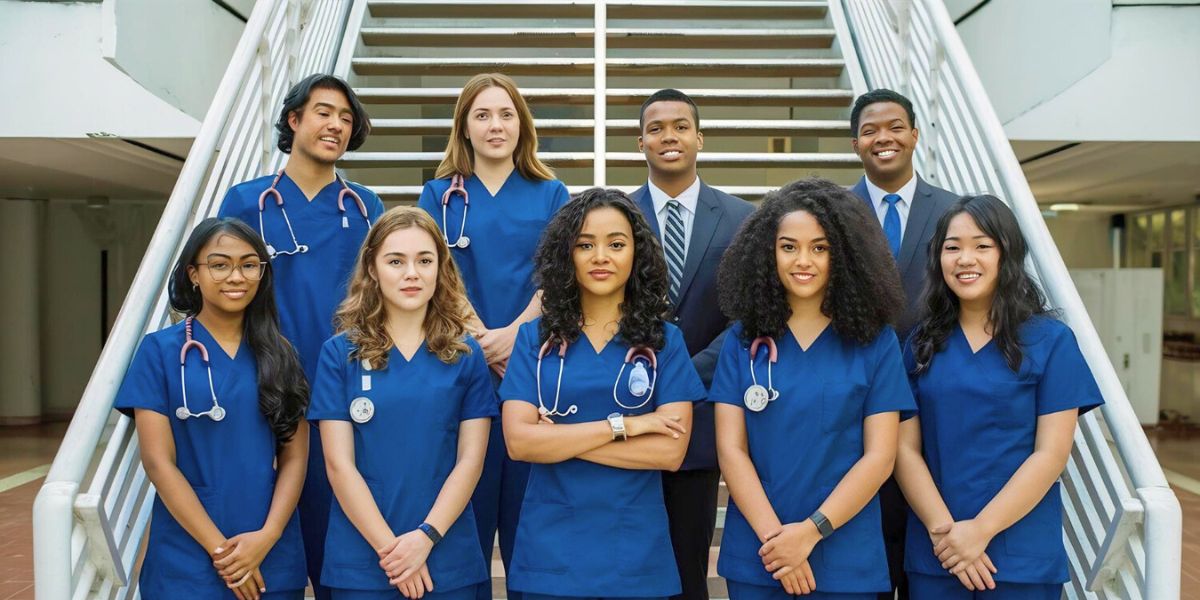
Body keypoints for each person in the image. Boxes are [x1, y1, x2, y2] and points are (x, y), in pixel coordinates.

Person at [218, 73, 385, 599]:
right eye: (324, 112)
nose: (336, 124)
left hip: (346, 392)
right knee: (275, 541)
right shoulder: (247, 203)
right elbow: (225, 293)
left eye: (346, 117)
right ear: (294, 120)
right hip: (270, 390)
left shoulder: (364, 207)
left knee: (342, 542)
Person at [710, 178, 915, 600]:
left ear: (844, 255)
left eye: (820, 248)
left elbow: (880, 456)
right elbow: (731, 451)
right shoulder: (742, 340)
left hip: (844, 554)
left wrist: (809, 533)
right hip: (761, 552)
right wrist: (778, 542)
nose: (803, 260)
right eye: (788, 246)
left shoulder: (876, 342)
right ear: (769, 253)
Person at [499, 188, 706, 600]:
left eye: (616, 244)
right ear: (566, 255)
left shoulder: (664, 342)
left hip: (633, 554)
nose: (600, 257)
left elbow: (669, 452)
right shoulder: (532, 340)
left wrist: (558, 440)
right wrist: (625, 426)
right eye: (584, 245)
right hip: (552, 553)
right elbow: (519, 443)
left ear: (637, 254)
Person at [896, 195, 1103, 599]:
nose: (965, 259)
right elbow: (905, 450)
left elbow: (1051, 454)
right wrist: (949, 536)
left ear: (1007, 253)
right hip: (937, 551)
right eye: (952, 247)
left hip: (1019, 557)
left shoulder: (1051, 341)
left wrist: (981, 530)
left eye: (982, 245)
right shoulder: (921, 344)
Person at [415, 72, 570, 600]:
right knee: (466, 516)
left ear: (521, 125)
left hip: (532, 367)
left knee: (530, 526)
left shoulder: (552, 193)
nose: (495, 125)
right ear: (464, 128)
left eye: (505, 114)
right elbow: (431, 268)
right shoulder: (438, 194)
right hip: (461, 363)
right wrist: (484, 338)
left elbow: (560, 273)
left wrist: (515, 334)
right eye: (481, 115)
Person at [115, 217, 309, 600]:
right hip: (189, 555)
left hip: (269, 548)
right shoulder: (160, 352)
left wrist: (266, 537)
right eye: (219, 264)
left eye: (249, 264)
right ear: (194, 275)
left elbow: (295, 457)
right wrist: (223, 553)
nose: (236, 276)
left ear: (262, 274)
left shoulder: (281, 354)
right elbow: (158, 462)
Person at [307, 207, 495, 600]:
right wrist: (393, 552)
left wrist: (424, 539)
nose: (412, 273)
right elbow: (339, 466)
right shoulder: (339, 354)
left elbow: (471, 461)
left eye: (425, 260)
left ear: (440, 268)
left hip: (446, 553)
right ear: (373, 269)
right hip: (365, 560)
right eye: (396, 261)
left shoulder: (466, 355)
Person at [627, 89, 754, 600]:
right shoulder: (615, 216)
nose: (669, 136)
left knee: (687, 569)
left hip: (701, 415)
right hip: (625, 410)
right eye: (656, 128)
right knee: (627, 562)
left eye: (680, 126)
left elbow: (751, 313)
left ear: (699, 138)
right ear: (640, 143)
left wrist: (681, 375)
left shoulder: (744, 218)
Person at [847, 88, 958, 600]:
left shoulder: (955, 214)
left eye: (894, 127)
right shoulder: (833, 214)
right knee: (867, 545)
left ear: (915, 135)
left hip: (934, 396)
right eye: (870, 130)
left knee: (927, 548)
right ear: (856, 144)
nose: (882, 138)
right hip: (853, 402)